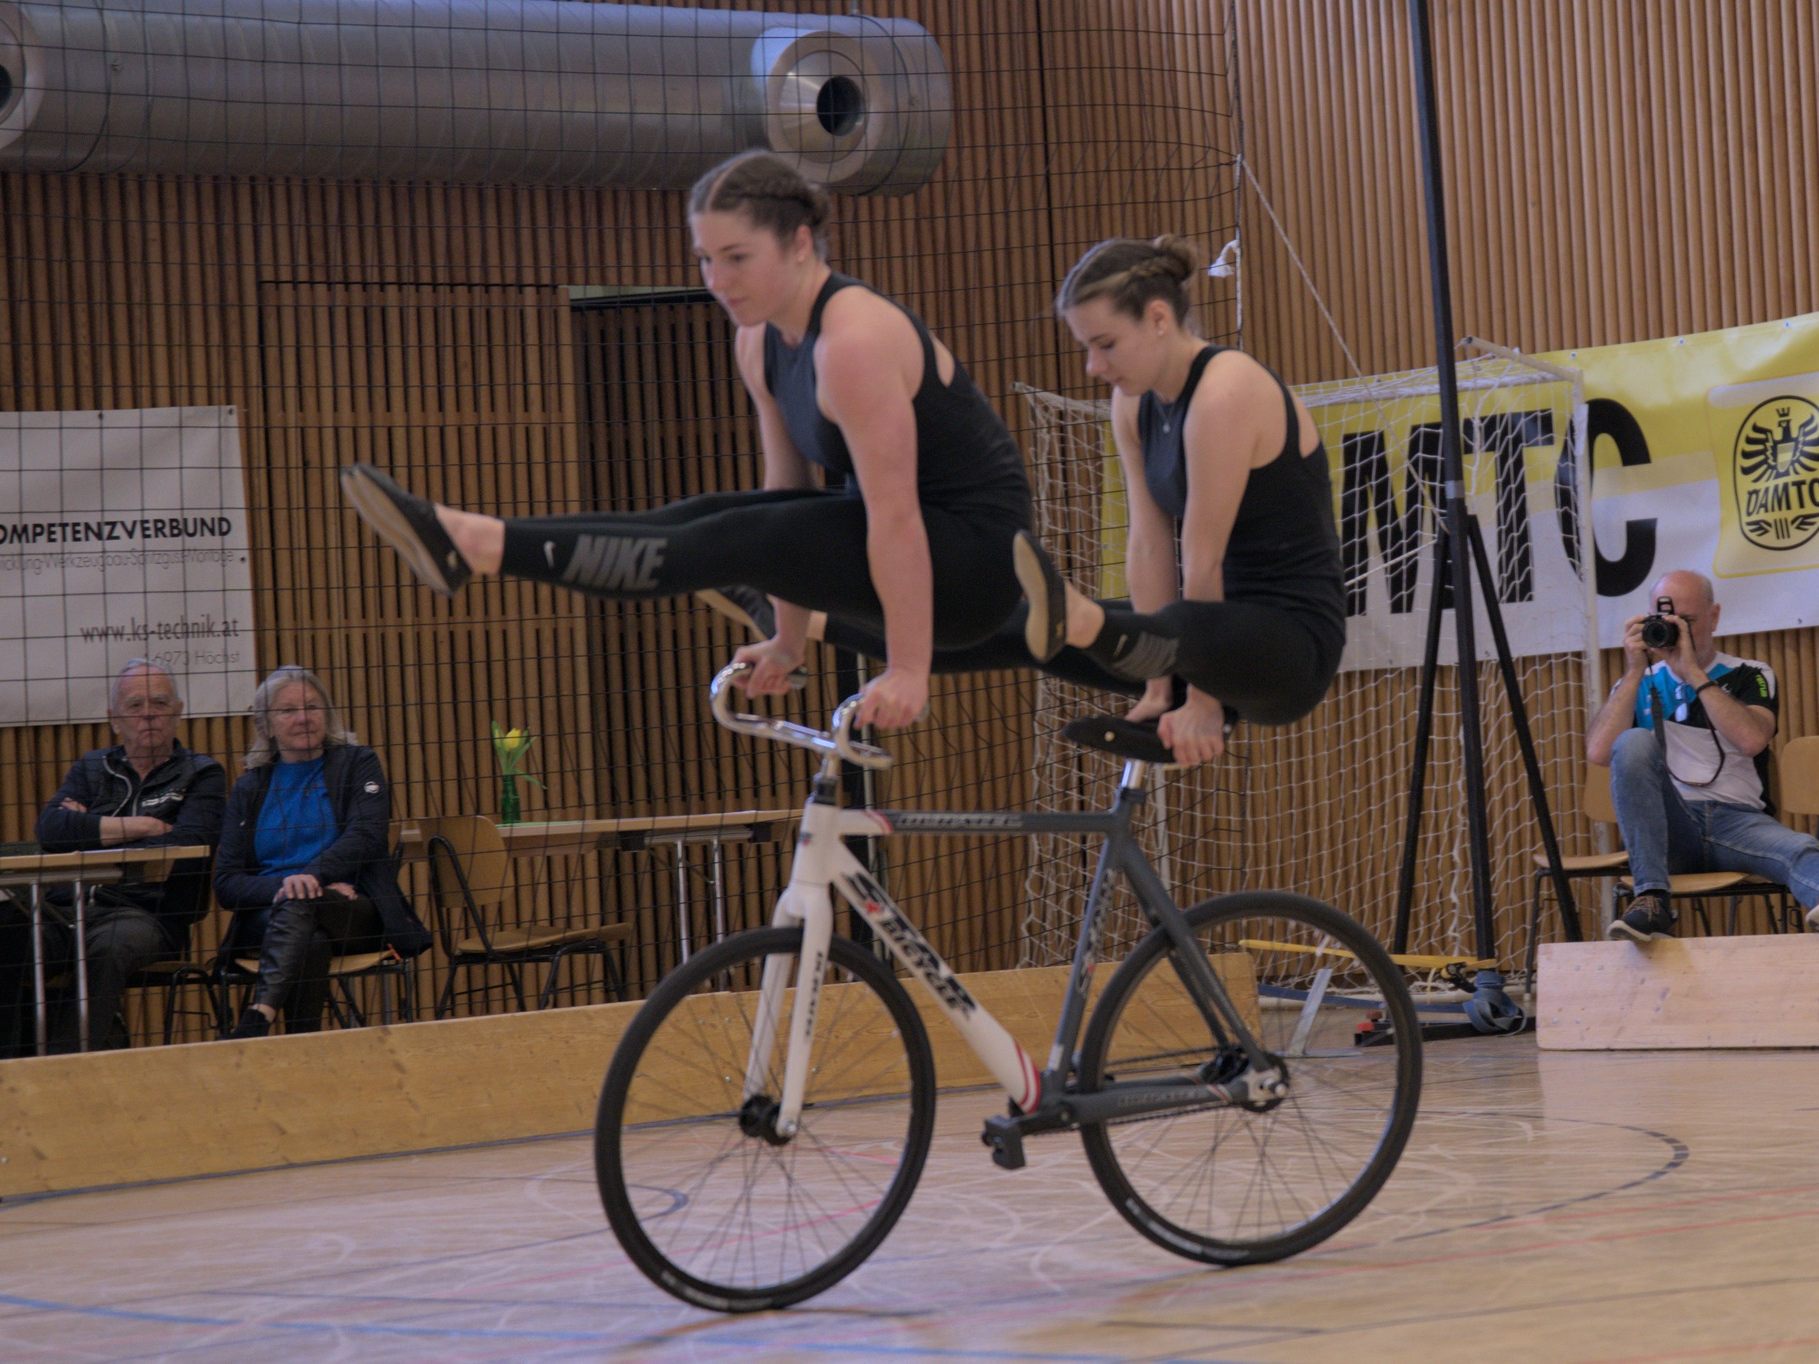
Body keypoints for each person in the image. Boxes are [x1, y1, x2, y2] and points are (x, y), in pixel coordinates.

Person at [340, 148, 1032, 732]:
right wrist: (788, 643)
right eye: (704, 259)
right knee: (704, 515)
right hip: (912, 550)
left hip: (972, 568)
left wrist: (909, 668)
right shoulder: (758, 338)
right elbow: (785, 497)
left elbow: (895, 514)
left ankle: (478, 543)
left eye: (736, 257)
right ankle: (469, 545)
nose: (717, 282)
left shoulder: (851, 341)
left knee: (728, 542)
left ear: (797, 244)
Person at [1004, 236, 1345, 765]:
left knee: (1161, 623)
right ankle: (836, 621)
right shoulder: (1131, 402)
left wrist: (1203, 702)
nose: (1093, 365)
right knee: (1013, 626)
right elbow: (1148, 543)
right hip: (1198, 632)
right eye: (1085, 347)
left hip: (1288, 647)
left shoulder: (1223, 390)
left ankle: (1082, 617)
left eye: (1106, 344)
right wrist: (1159, 690)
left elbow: (1201, 557)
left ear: (1159, 318)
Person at [0, 659, 225, 1056]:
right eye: (135, 706)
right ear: (114, 719)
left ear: (178, 710)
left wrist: (89, 829)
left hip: (146, 915)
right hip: (65, 911)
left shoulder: (201, 773)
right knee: (6, 930)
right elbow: (50, 830)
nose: (149, 714)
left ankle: (65, 1068)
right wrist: (141, 826)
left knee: (106, 947)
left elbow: (191, 841)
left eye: (159, 703)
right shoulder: (93, 767)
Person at [1586, 569, 1819, 943]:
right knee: (1631, 742)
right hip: (1670, 826)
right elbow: (1599, 752)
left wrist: (1693, 673)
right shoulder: (1635, 684)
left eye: (1688, 621)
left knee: (1802, 849)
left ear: (1714, 617)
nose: (1676, 631)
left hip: (1739, 822)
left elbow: (1751, 740)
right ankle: (1650, 900)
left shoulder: (1750, 673)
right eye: (1665, 621)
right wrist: (1632, 674)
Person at [213, 666, 430, 1037]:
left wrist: (314, 877)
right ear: (265, 724)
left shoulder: (357, 763)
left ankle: (258, 1015)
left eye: (312, 707)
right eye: (288, 711)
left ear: (326, 714)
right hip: (269, 915)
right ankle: (304, 1043)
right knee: (308, 931)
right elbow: (226, 883)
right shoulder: (250, 787)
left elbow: (367, 834)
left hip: (350, 910)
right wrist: (290, 886)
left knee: (306, 904)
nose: (303, 718)